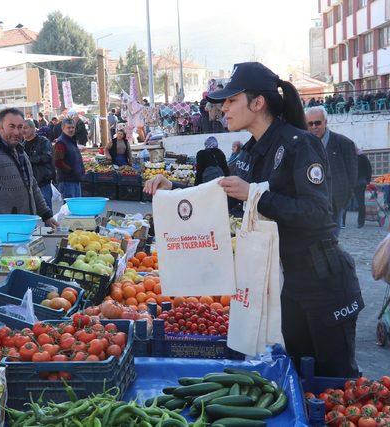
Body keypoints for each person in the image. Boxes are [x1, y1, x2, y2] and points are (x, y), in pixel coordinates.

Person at [144, 62, 363, 377]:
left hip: (323, 285)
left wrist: (256, 195)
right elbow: (223, 196)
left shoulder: (300, 145)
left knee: (335, 383)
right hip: (284, 284)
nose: (223, 109)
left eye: (232, 100)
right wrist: (173, 190)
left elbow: (317, 214)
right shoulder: (250, 151)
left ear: (258, 103)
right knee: (299, 378)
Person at [0, 108, 58, 228]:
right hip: (0, 230)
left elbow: (32, 185)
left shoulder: (21, 153)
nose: (17, 132)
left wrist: (46, 215)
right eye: (12, 126)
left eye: (20, 127)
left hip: (25, 226)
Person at [305, 106, 358, 235]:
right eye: (310, 124)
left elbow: (352, 174)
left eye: (317, 123)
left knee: (332, 240)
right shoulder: (303, 143)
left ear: (325, 122)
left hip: (335, 201)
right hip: (310, 202)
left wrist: (344, 198)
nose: (314, 127)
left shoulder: (344, 143)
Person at [23, 119, 55, 210]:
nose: (23, 130)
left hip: (43, 183)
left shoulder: (43, 141)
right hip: (28, 184)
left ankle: (49, 225)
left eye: (25, 128)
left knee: (47, 211)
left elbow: (47, 157)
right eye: (21, 128)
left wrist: (29, 160)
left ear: (33, 128)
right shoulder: (22, 145)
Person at [54, 118, 85, 199]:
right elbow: (58, 162)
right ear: (63, 128)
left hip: (74, 179)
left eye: (73, 127)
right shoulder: (61, 142)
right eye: (68, 127)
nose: (71, 129)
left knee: (76, 208)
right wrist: (71, 171)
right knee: (69, 209)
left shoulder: (71, 140)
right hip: (67, 181)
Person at [354, 149, 372, 228]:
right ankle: (360, 222)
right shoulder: (354, 157)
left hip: (359, 182)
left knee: (360, 203)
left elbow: (368, 169)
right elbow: (369, 169)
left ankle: (360, 222)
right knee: (360, 202)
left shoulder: (362, 157)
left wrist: (367, 181)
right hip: (357, 182)